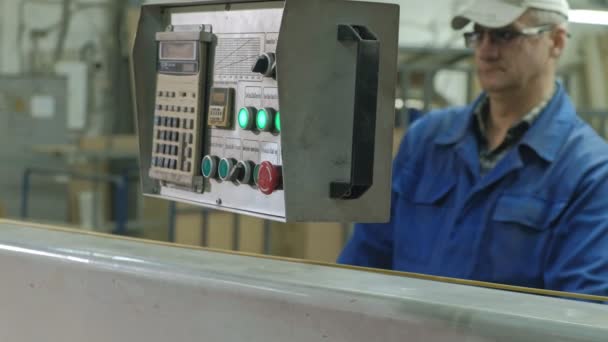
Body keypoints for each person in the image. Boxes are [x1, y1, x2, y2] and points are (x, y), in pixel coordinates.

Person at [339, 0, 608, 297]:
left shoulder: (590, 173)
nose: (486, 51)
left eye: (505, 35)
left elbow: (581, 313)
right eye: (478, 34)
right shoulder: (425, 142)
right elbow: (362, 264)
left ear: (556, 41)